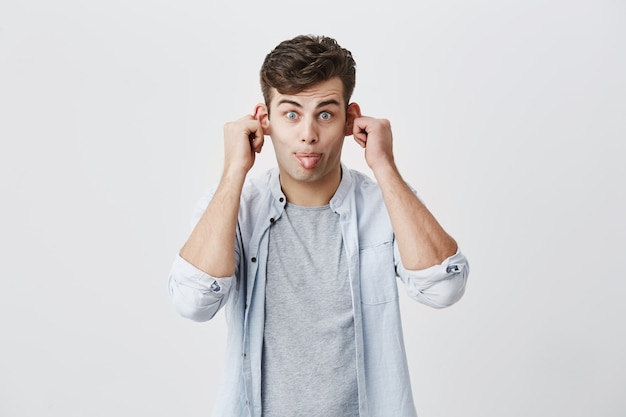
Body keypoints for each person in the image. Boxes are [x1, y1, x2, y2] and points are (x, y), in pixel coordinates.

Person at [168, 34, 469, 417]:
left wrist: (384, 166)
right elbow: (193, 303)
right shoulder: (235, 206)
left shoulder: (383, 204)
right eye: (291, 113)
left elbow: (444, 289)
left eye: (325, 113)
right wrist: (234, 171)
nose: (308, 134)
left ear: (350, 118)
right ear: (265, 121)